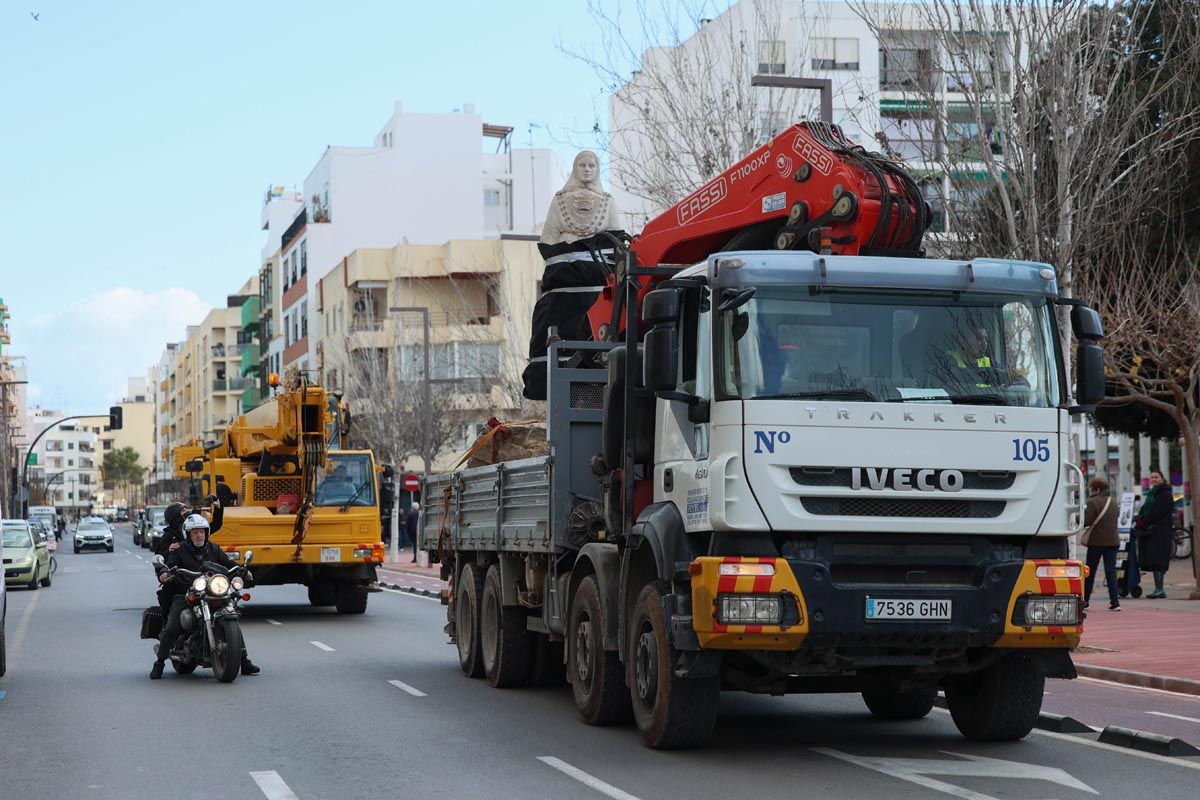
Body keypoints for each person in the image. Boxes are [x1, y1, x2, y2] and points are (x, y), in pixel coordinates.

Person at [151, 514, 259, 679]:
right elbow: (171, 564)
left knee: (231, 616)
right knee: (172, 627)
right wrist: (166, 572)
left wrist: (243, 570)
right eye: (195, 532)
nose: (199, 535)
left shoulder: (213, 548)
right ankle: (159, 663)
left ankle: (243, 661)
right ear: (189, 534)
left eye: (202, 532)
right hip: (187, 593)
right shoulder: (181, 550)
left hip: (212, 591)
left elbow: (228, 563)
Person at [1082, 478, 1120, 611]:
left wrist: (1075, 518)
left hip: (1096, 542)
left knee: (1089, 572)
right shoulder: (1114, 502)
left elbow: (1086, 521)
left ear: (1096, 489)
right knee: (1111, 572)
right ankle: (1115, 602)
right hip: (1113, 542)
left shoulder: (1093, 502)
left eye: (1092, 489)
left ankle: (1085, 601)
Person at [1135, 470, 1175, 599]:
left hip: (1160, 531)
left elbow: (1156, 512)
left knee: (1158, 559)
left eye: (1156, 477)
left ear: (1162, 479)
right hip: (1153, 531)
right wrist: (1140, 518)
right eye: (1152, 477)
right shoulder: (1153, 493)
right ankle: (1158, 588)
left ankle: (1160, 589)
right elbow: (1146, 509)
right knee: (1154, 558)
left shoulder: (1165, 494)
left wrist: (1144, 522)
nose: (1154, 479)